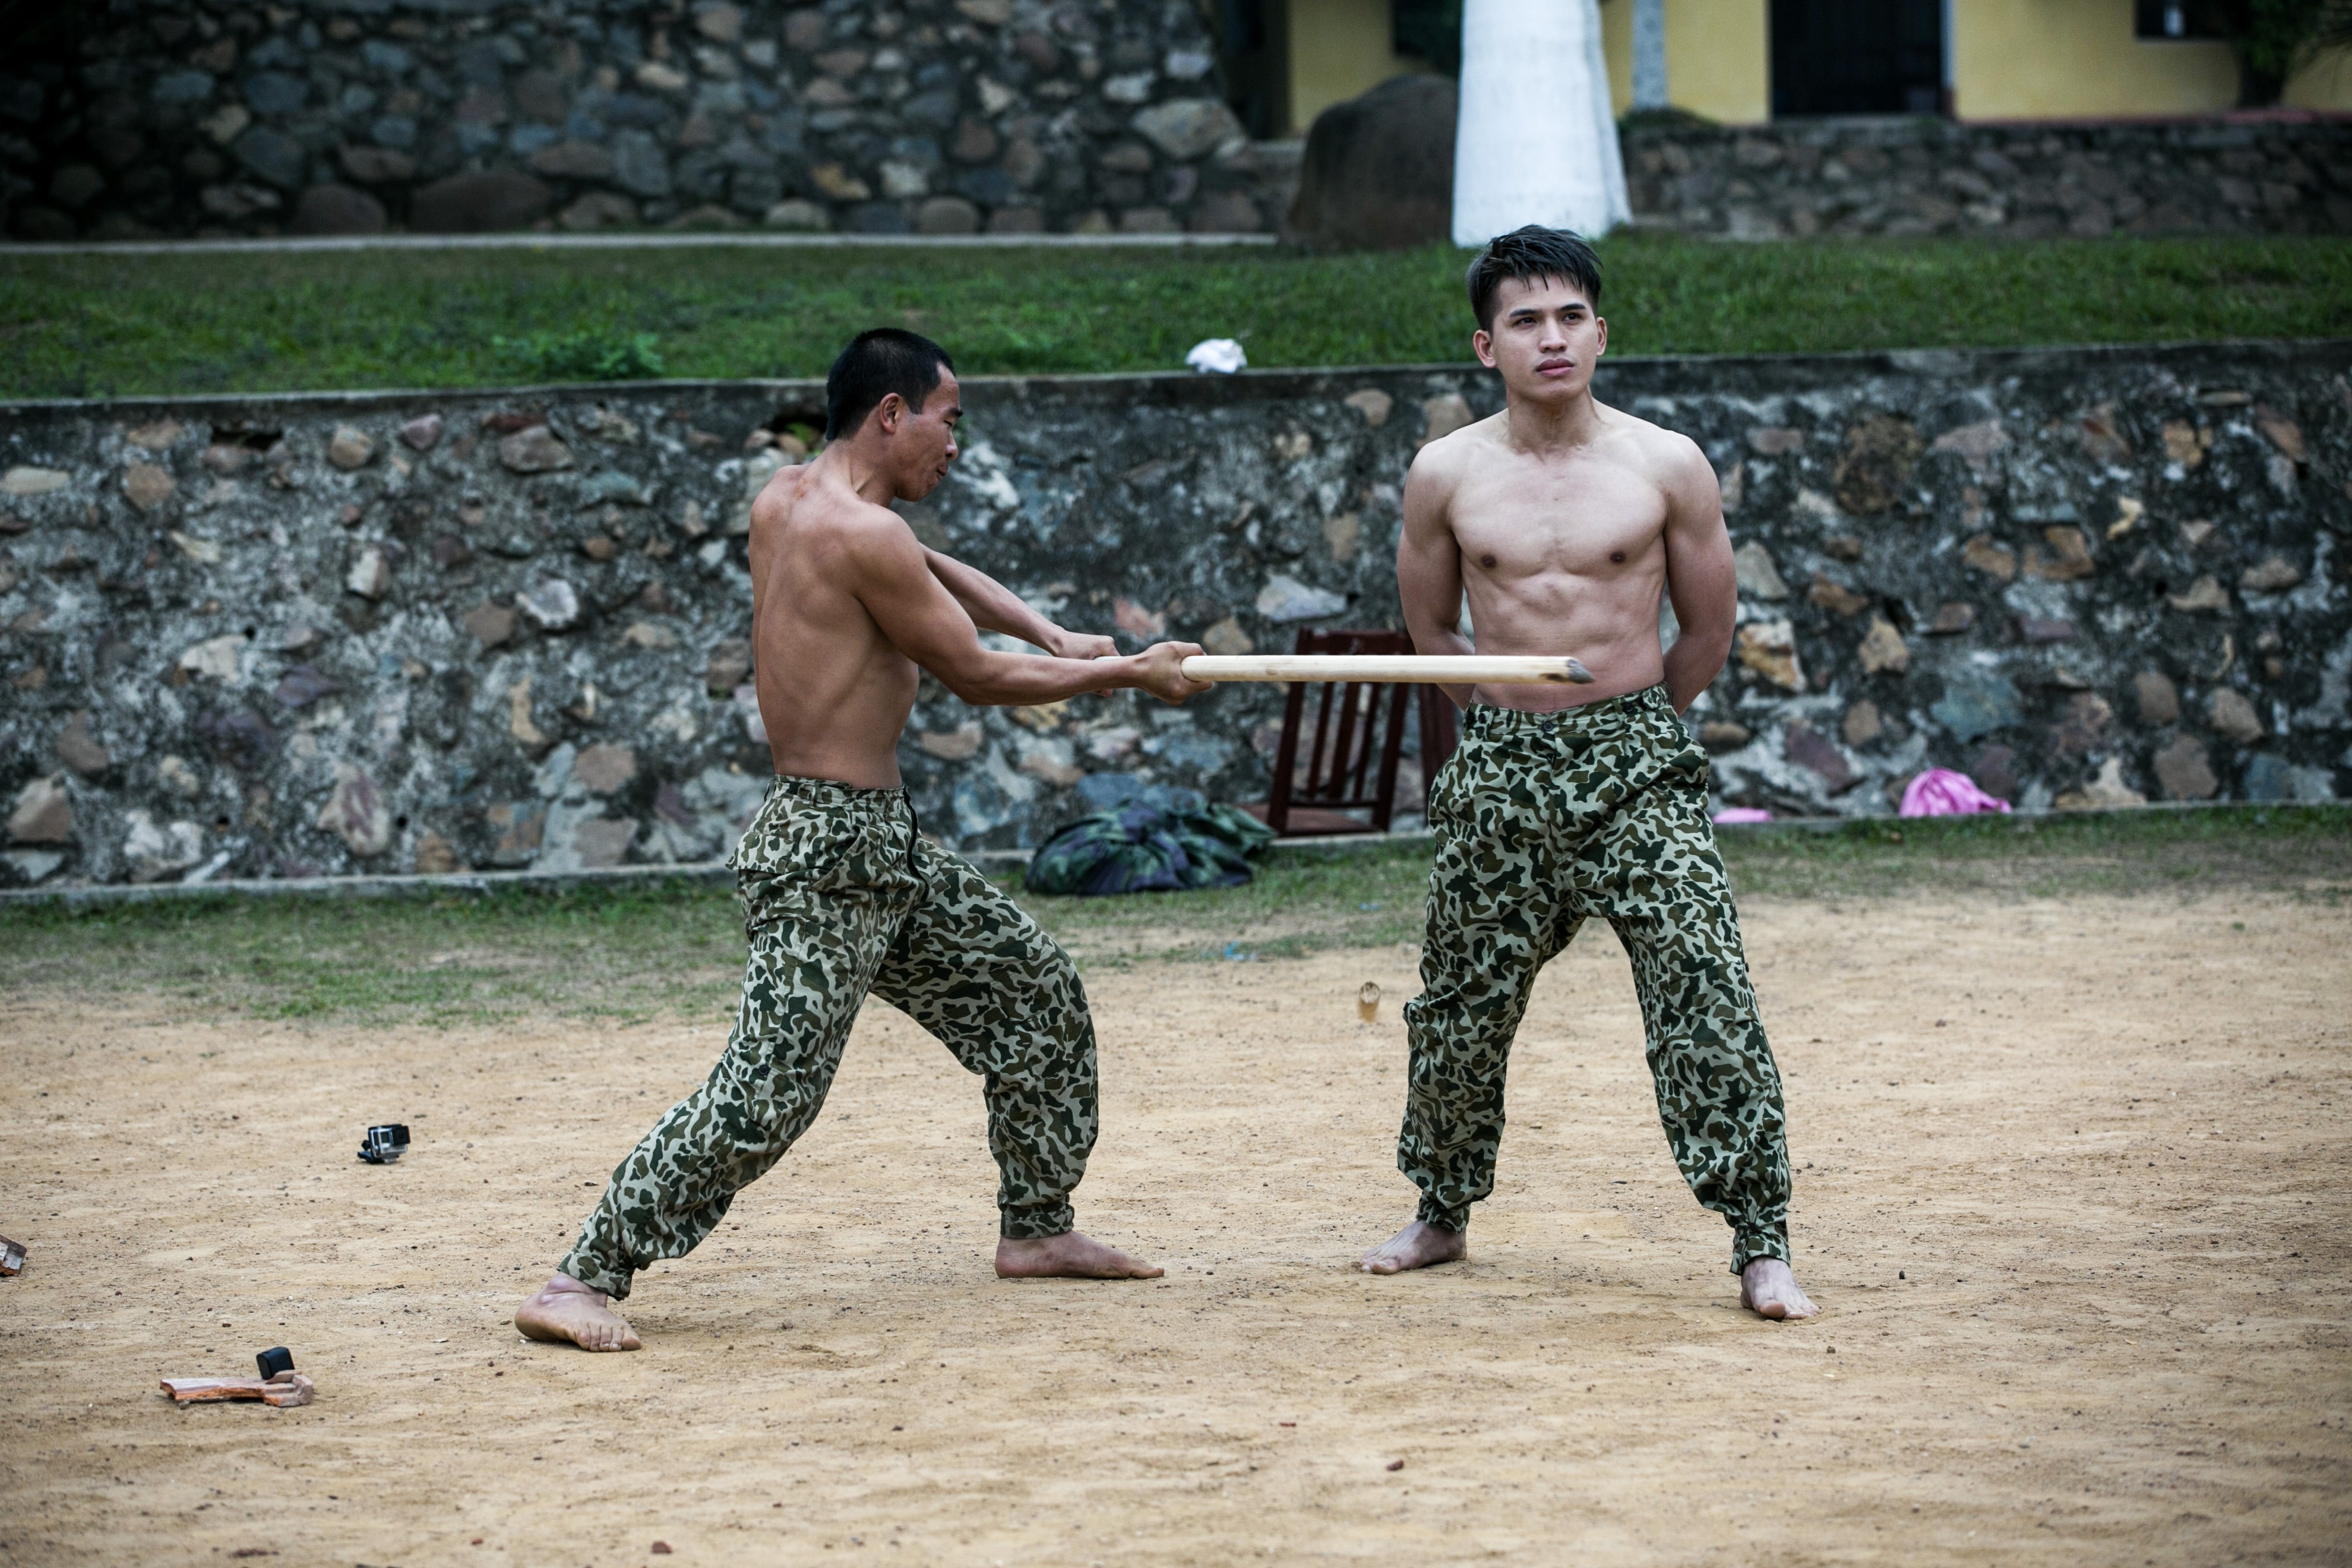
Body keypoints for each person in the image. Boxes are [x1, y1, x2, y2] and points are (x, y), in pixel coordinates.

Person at [517, 328, 1209, 1351]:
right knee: (770, 1091)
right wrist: (1128, 673)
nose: (955, 443)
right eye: (948, 418)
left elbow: (935, 567)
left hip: (878, 844)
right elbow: (978, 676)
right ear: (893, 414)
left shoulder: (793, 497)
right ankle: (580, 1277)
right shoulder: (861, 536)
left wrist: (1054, 634)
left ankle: (1037, 1228)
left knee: (1035, 993)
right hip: (826, 855)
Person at [1360, 227, 1816, 1320]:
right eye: (1525, 320)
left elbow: (1707, 630)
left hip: (1634, 761)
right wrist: (1514, 722)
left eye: (1570, 317)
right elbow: (1431, 631)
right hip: (1505, 762)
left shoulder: (1665, 463)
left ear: (1601, 332)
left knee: (1703, 979)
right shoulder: (1447, 473)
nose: (1551, 339)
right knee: (1463, 1004)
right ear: (1487, 345)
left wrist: (1629, 723)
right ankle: (1444, 1207)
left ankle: (1762, 1239)